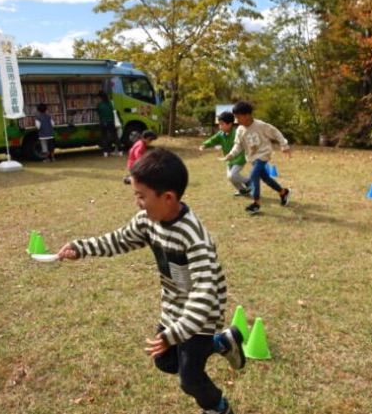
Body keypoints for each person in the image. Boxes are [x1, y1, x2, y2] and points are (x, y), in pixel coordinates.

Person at [57, 148, 245, 414]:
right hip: (173, 308)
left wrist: (176, 333)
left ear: (167, 198)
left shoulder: (194, 237)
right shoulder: (148, 220)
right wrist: (81, 247)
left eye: (141, 196)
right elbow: (119, 239)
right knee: (164, 361)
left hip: (200, 317)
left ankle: (218, 407)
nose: (137, 202)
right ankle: (221, 343)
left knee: (190, 380)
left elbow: (204, 293)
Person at [223, 100, 292, 215]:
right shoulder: (240, 130)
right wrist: (232, 154)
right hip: (252, 157)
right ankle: (283, 192)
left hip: (263, 154)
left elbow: (275, 133)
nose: (237, 120)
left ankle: (256, 204)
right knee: (266, 179)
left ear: (247, 115)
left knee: (254, 175)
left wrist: (284, 145)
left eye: (239, 117)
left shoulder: (261, 126)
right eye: (236, 117)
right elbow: (238, 145)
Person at [199, 111, 251, 197]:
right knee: (230, 177)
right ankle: (242, 190)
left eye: (222, 124)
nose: (220, 126)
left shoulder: (236, 133)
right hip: (228, 160)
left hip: (239, 158)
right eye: (219, 124)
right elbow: (213, 140)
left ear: (230, 124)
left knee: (232, 176)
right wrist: (204, 145)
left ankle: (249, 181)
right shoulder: (221, 134)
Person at [96, 90, 122, 157]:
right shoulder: (111, 103)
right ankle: (120, 151)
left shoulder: (99, 105)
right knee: (115, 137)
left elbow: (98, 113)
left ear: (100, 97)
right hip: (111, 122)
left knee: (104, 138)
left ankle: (105, 153)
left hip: (103, 122)